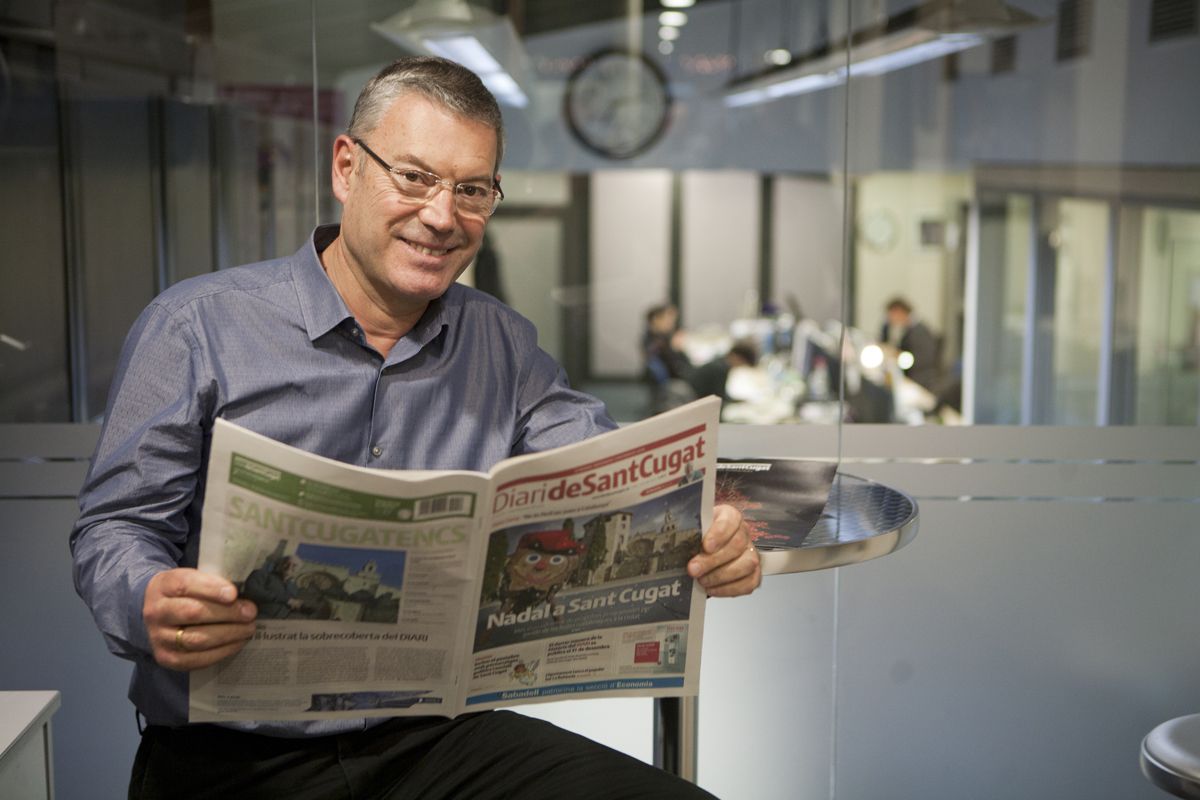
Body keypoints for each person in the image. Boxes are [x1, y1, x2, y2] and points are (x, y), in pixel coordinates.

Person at [70, 56, 760, 799]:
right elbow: (115, 528)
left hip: (436, 741)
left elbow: (611, 469)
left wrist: (713, 529)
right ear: (346, 167)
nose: (441, 216)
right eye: (414, 177)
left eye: (472, 190)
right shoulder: (195, 327)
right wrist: (149, 599)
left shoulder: (502, 344)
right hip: (234, 753)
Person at [880, 296, 941, 392]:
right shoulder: (897, 328)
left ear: (899, 312)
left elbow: (923, 361)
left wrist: (898, 356)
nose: (890, 319)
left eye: (892, 315)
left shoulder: (920, 332)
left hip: (919, 380)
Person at [240, 556, 305, 619]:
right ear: (280, 564)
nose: (289, 567)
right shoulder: (261, 574)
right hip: (255, 617)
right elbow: (252, 591)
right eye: (286, 563)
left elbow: (289, 605)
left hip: (278, 623)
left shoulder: (293, 588)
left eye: (294, 565)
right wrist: (287, 600)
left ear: (298, 570)